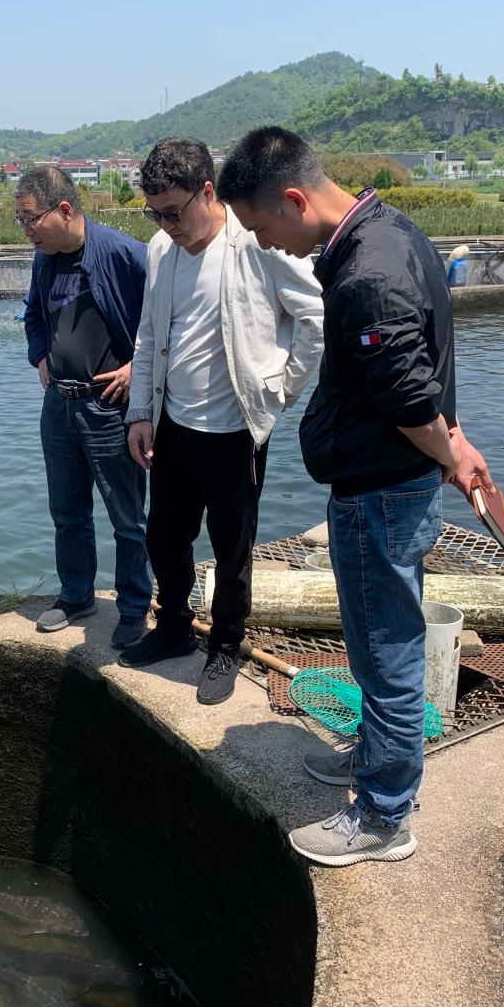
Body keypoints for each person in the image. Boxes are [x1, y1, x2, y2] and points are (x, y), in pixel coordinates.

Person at [217, 126, 494, 865]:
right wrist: (455, 439)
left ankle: (382, 815)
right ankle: (376, 754)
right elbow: (430, 360)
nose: (267, 244)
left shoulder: (367, 273)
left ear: (294, 198)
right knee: (379, 641)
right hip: (390, 483)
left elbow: (408, 397)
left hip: (380, 492)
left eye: (262, 226)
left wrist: (450, 452)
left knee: (385, 650)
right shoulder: (393, 231)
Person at [121, 138, 323, 705]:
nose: (166, 226)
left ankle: (226, 646)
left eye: (173, 212)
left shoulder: (258, 242)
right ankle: (174, 627)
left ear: (207, 192)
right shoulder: (161, 250)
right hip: (172, 421)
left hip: (236, 428)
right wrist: (140, 412)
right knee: (165, 537)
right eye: (155, 214)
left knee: (232, 547)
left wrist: (281, 391)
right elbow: (149, 336)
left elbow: (315, 317)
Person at [20, 165, 152, 647]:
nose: (26, 230)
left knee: (127, 516)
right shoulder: (45, 259)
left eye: (31, 219)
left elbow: (166, 319)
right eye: (21, 221)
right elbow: (33, 314)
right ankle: (76, 594)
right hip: (59, 405)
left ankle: (134, 605)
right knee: (67, 511)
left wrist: (138, 367)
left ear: (64, 209)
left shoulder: (123, 253)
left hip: (109, 408)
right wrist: (40, 355)